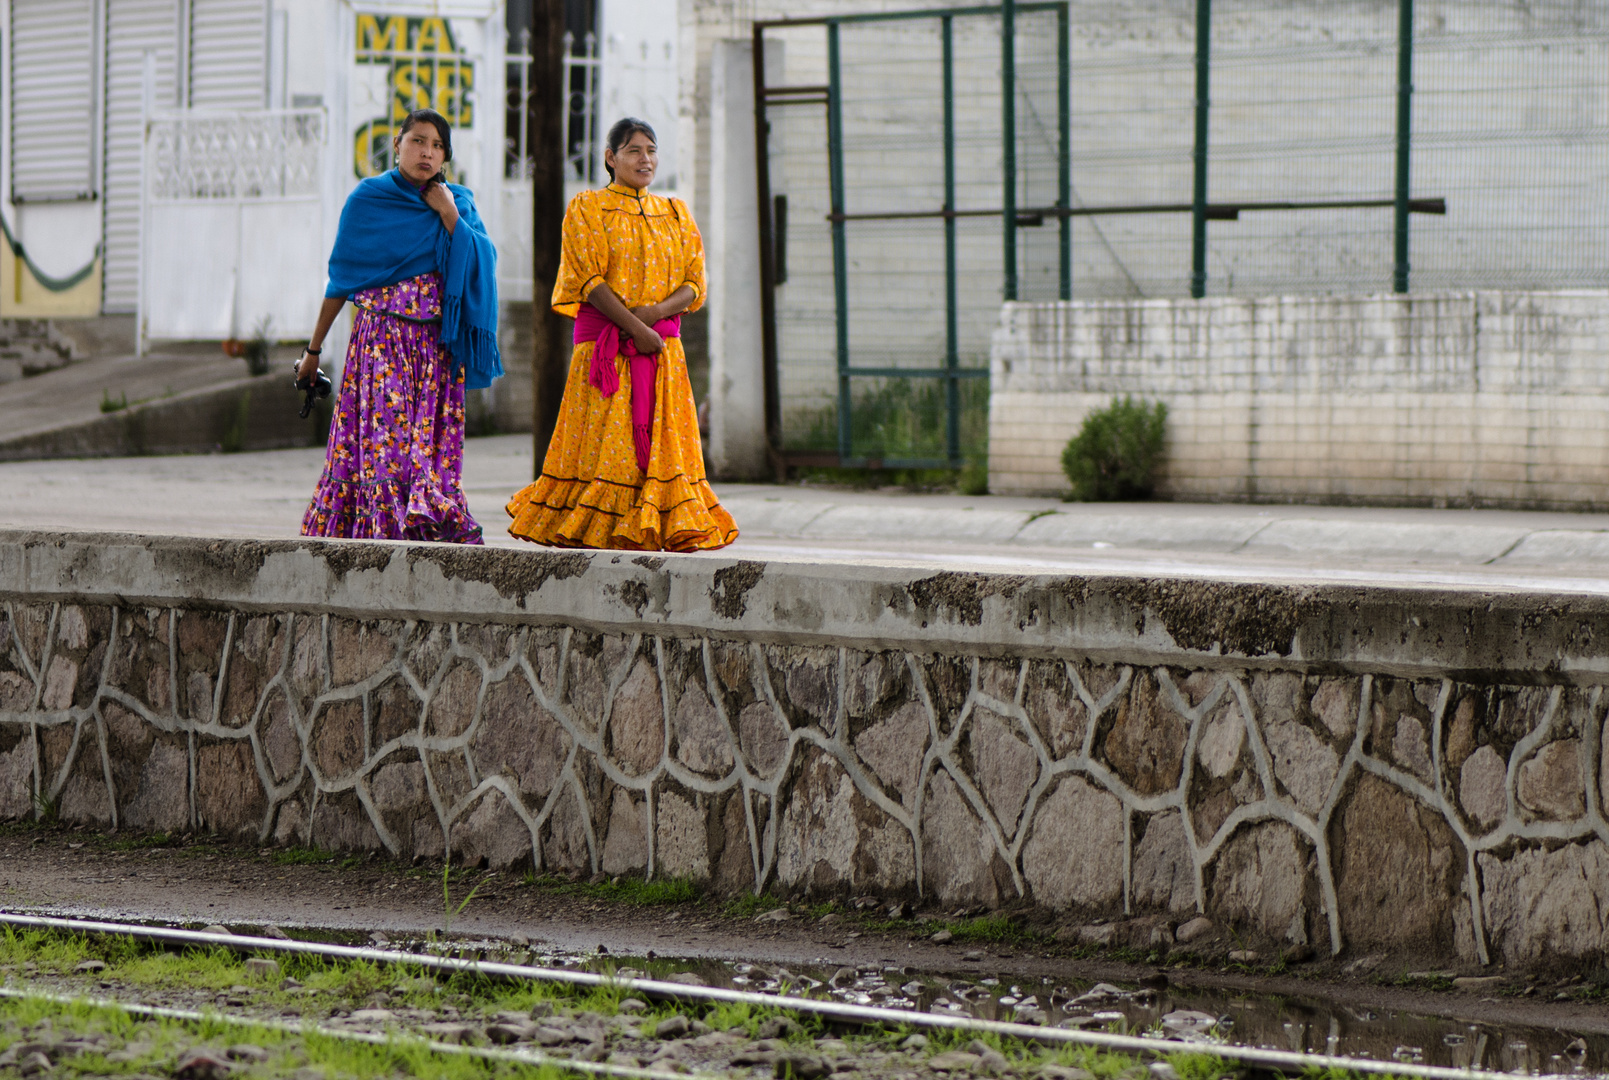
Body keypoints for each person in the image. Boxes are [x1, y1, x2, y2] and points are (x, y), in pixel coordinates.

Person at [505, 117, 737, 551]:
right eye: (633, 150)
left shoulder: (675, 213)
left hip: (662, 352)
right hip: (606, 356)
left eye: (651, 150)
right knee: (605, 449)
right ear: (611, 158)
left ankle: (653, 527)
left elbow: (694, 283)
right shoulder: (587, 208)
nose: (644, 159)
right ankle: (600, 532)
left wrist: (653, 315)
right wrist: (635, 328)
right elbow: (587, 281)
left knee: (660, 447)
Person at [298, 108, 501, 543]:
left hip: (436, 350)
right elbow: (340, 281)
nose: (427, 152)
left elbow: (484, 260)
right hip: (381, 345)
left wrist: (448, 214)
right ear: (397, 144)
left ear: (445, 156)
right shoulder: (368, 201)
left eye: (437, 146)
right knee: (387, 451)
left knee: (426, 453)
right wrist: (312, 352)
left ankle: (425, 532)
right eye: (418, 141)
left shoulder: (458, 203)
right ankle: (382, 537)